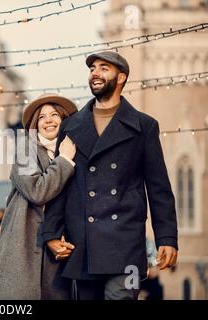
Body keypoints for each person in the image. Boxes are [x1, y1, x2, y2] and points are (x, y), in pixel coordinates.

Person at [42, 51, 178, 300]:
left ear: (121, 77)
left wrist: (167, 237)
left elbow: (158, 187)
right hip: (83, 245)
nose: (95, 73)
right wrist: (51, 234)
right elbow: (61, 183)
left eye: (104, 68)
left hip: (127, 245)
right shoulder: (71, 126)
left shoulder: (144, 126)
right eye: (93, 68)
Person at [0, 93, 77, 300]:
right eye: (41, 117)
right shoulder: (24, 150)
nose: (48, 120)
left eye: (54, 114)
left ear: (64, 119)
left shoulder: (74, 151)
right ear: (35, 125)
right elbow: (37, 191)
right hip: (24, 245)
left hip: (60, 252)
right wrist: (65, 160)